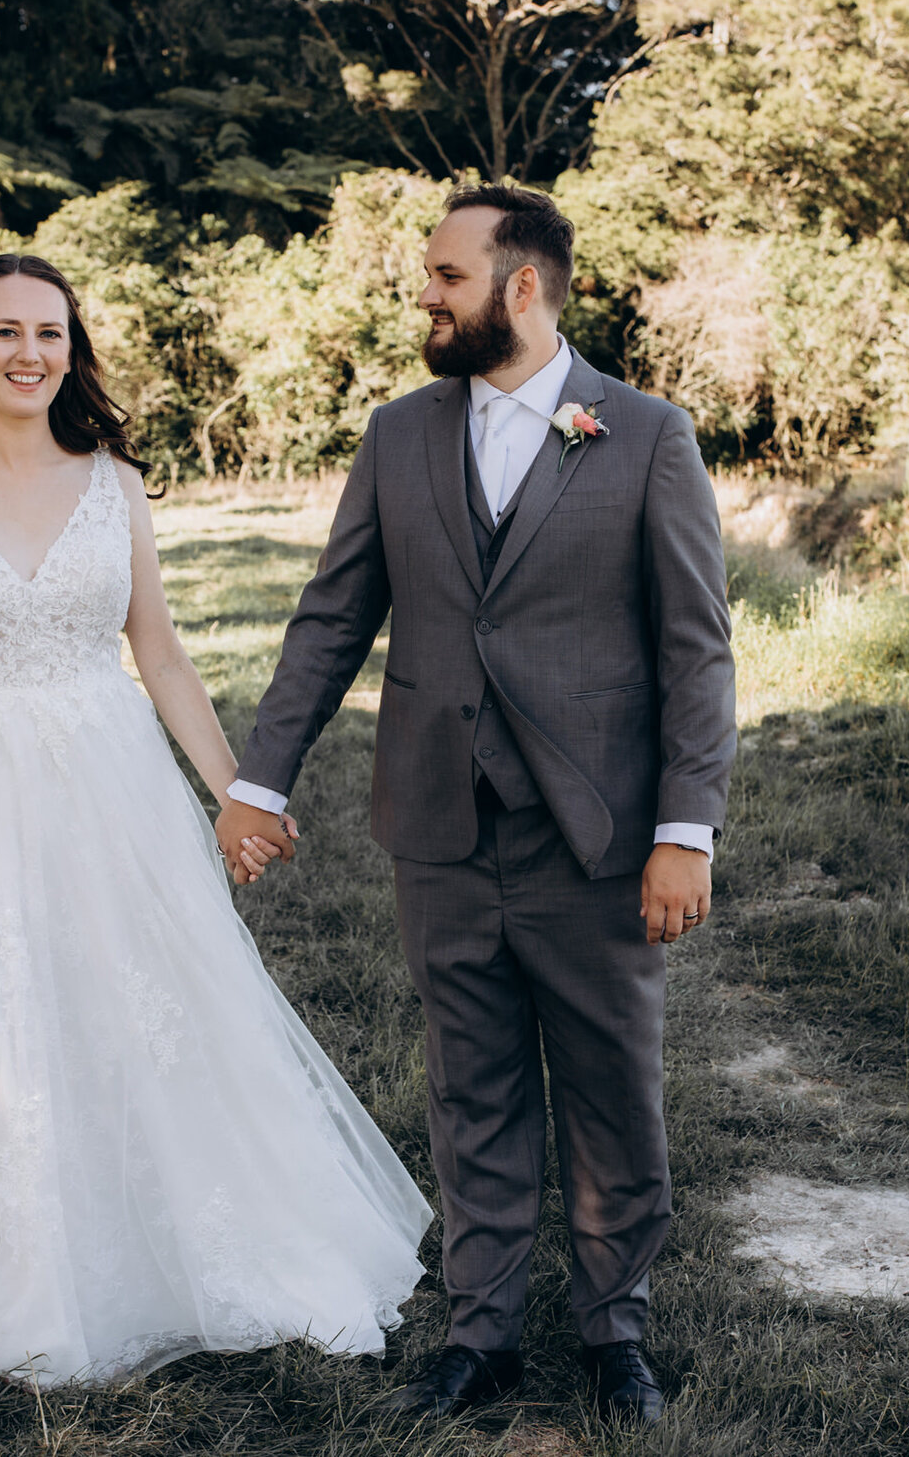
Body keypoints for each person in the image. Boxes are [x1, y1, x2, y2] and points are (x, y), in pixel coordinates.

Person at [0, 253, 430, 1389]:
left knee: (140, 997)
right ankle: (20, 1260)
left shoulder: (111, 480)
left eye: (50, 333)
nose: (28, 354)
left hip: (109, 772)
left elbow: (156, 649)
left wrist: (234, 790)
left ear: (72, 348)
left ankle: (179, 1232)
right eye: (4, 332)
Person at [213, 184, 736, 1425]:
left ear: (521, 287)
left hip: (595, 832)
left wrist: (683, 828)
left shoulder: (646, 434)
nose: (425, 294)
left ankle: (614, 1332)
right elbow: (334, 616)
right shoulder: (398, 434)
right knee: (471, 1083)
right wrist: (257, 776)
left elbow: (695, 652)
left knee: (610, 1085)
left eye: (446, 275)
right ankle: (483, 1330)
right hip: (438, 824)